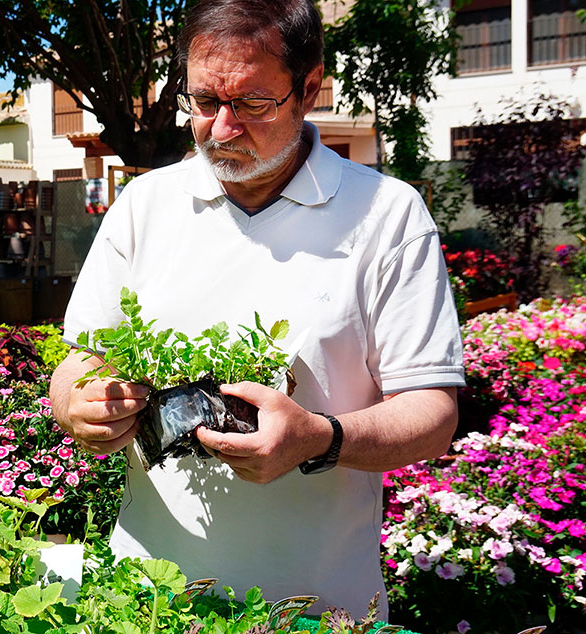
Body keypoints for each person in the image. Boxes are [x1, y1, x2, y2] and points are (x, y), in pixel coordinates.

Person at [48, 0, 464, 619]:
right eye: (205, 102)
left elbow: (433, 410)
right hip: (146, 600)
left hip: (320, 609)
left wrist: (319, 439)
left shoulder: (387, 215)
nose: (221, 128)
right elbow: (81, 359)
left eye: (251, 103)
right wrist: (77, 403)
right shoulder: (144, 206)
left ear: (309, 90)